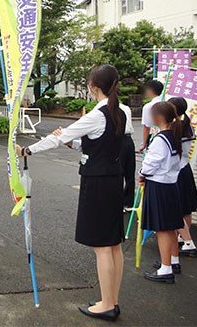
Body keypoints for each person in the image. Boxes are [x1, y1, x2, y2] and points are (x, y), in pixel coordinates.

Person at [17, 65, 128, 322]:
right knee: (113, 245)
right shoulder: (120, 111)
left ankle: (107, 305)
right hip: (113, 180)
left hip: (98, 184)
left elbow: (57, 138)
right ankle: (112, 300)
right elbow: (98, 143)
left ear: (94, 87)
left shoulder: (97, 114)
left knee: (102, 247)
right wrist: (73, 143)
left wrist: (28, 151)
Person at [139, 102, 184, 283]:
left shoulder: (160, 139)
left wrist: (142, 174)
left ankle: (166, 270)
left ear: (159, 117)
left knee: (162, 229)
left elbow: (151, 164)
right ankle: (172, 261)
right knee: (170, 226)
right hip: (170, 184)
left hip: (159, 186)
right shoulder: (174, 135)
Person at [168, 97, 197, 257]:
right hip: (185, 169)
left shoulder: (172, 128)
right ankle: (184, 239)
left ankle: (188, 242)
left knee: (176, 210)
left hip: (175, 172)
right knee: (186, 208)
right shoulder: (189, 126)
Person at [138, 80, 164, 152]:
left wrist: (144, 145)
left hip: (154, 136)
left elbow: (146, 128)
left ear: (150, 90)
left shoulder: (148, 107)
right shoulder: (167, 103)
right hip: (166, 136)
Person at [119, 103, 136, 208]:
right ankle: (128, 203)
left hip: (118, 140)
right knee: (130, 172)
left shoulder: (106, 108)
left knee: (118, 172)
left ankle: (119, 202)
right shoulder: (126, 108)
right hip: (129, 140)